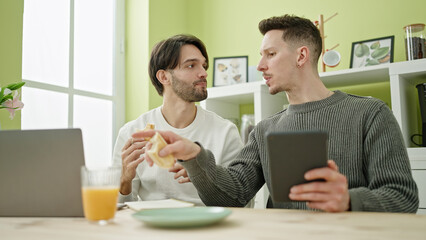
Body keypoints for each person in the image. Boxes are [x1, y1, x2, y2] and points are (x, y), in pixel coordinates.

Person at [134, 15, 419, 213]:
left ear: (301, 56)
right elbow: (231, 196)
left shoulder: (370, 114)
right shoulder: (264, 129)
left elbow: (403, 197)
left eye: (270, 54)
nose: (260, 65)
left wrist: (348, 200)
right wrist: (195, 155)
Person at [113, 34, 243, 205]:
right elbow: (118, 208)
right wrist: (125, 180)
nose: (203, 73)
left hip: (207, 228)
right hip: (152, 229)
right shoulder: (132, 133)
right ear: (164, 77)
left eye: (204, 66)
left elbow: (241, 202)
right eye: (191, 65)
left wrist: (204, 176)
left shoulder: (226, 132)